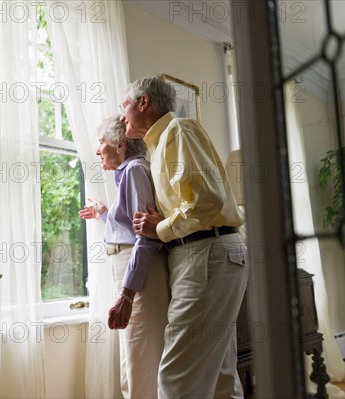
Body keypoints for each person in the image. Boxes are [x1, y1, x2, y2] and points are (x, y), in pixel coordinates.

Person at [120, 76, 249, 398]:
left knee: (176, 377)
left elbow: (207, 201)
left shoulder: (178, 131)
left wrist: (159, 229)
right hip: (209, 252)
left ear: (143, 102)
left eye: (125, 105)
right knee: (220, 375)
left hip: (206, 252)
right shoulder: (159, 146)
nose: (122, 116)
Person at [79, 115, 169, 399]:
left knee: (141, 361)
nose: (97, 150)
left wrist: (128, 295)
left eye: (101, 142)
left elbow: (145, 238)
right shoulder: (129, 172)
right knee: (134, 360)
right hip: (133, 272)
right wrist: (105, 214)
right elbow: (131, 229)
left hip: (139, 275)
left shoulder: (134, 171)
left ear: (119, 145)